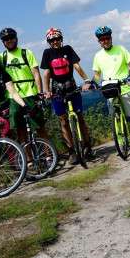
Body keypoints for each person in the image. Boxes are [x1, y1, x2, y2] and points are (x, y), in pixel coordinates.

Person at [41, 28, 92, 165]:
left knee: (80, 117)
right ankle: (71, 152)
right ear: (49, 42)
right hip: (56, 90)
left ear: (61, 39)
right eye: (52, 40)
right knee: (63, 121)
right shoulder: (47, 53)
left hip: (71, 86)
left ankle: (88, 146)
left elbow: (76, 66)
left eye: (57, 39)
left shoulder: (68, 49)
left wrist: (86, 80)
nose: (55, 42)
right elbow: (46, 73)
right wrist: (46, 91)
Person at [92, 26, 130, 151]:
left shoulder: (121, 49)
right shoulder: (98, 56)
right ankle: (123, 142)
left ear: (111, 38)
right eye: (102, 39)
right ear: (99, 41)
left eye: (107, 38)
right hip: (109, 89)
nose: (105, 41)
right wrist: (94, 82)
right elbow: (97, 74)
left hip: (124, 87)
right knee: (116, 117)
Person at [0, 27, 47, 142]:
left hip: (31, 93)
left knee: (39, 126)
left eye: (11, 38)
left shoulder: (26, 53)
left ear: (16, 38)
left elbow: (36, 74)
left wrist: (40, 93)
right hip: (13, 96)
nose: (9, 40)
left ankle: (48, 155)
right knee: (20, 129)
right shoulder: (1, 57)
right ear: (3, 42)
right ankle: (28, 158)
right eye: (6, 39)